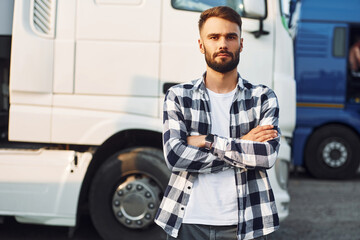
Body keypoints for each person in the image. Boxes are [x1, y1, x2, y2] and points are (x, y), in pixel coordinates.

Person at [155, 6, 280, 240]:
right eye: (214, 37)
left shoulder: (262, 97)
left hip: (247, 222)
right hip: (188, 220)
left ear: (241, 44)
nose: (222, 44)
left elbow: (265, 156)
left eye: (230, 37)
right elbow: (175, 157)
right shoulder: (178, 96)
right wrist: (242, 144)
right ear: (202, 45)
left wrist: (207, 140)